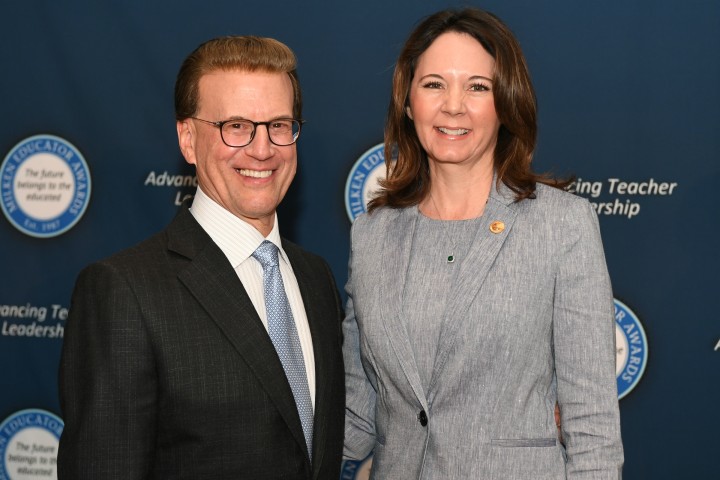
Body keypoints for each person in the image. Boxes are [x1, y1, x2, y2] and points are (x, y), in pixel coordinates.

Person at [342, 8, 624, 479]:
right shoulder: (372, 234)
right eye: (434, 84)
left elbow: (592, 425)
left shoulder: (562, 226)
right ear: (408, 102)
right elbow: (355, 414)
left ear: (506, 104)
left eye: (477, 87)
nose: (453, 106)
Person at [58, 35, 345, 479]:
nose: (262, 149)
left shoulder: (316, 278)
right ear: (188, 140)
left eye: (279, 125)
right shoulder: (125, 291)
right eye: (236, 126)